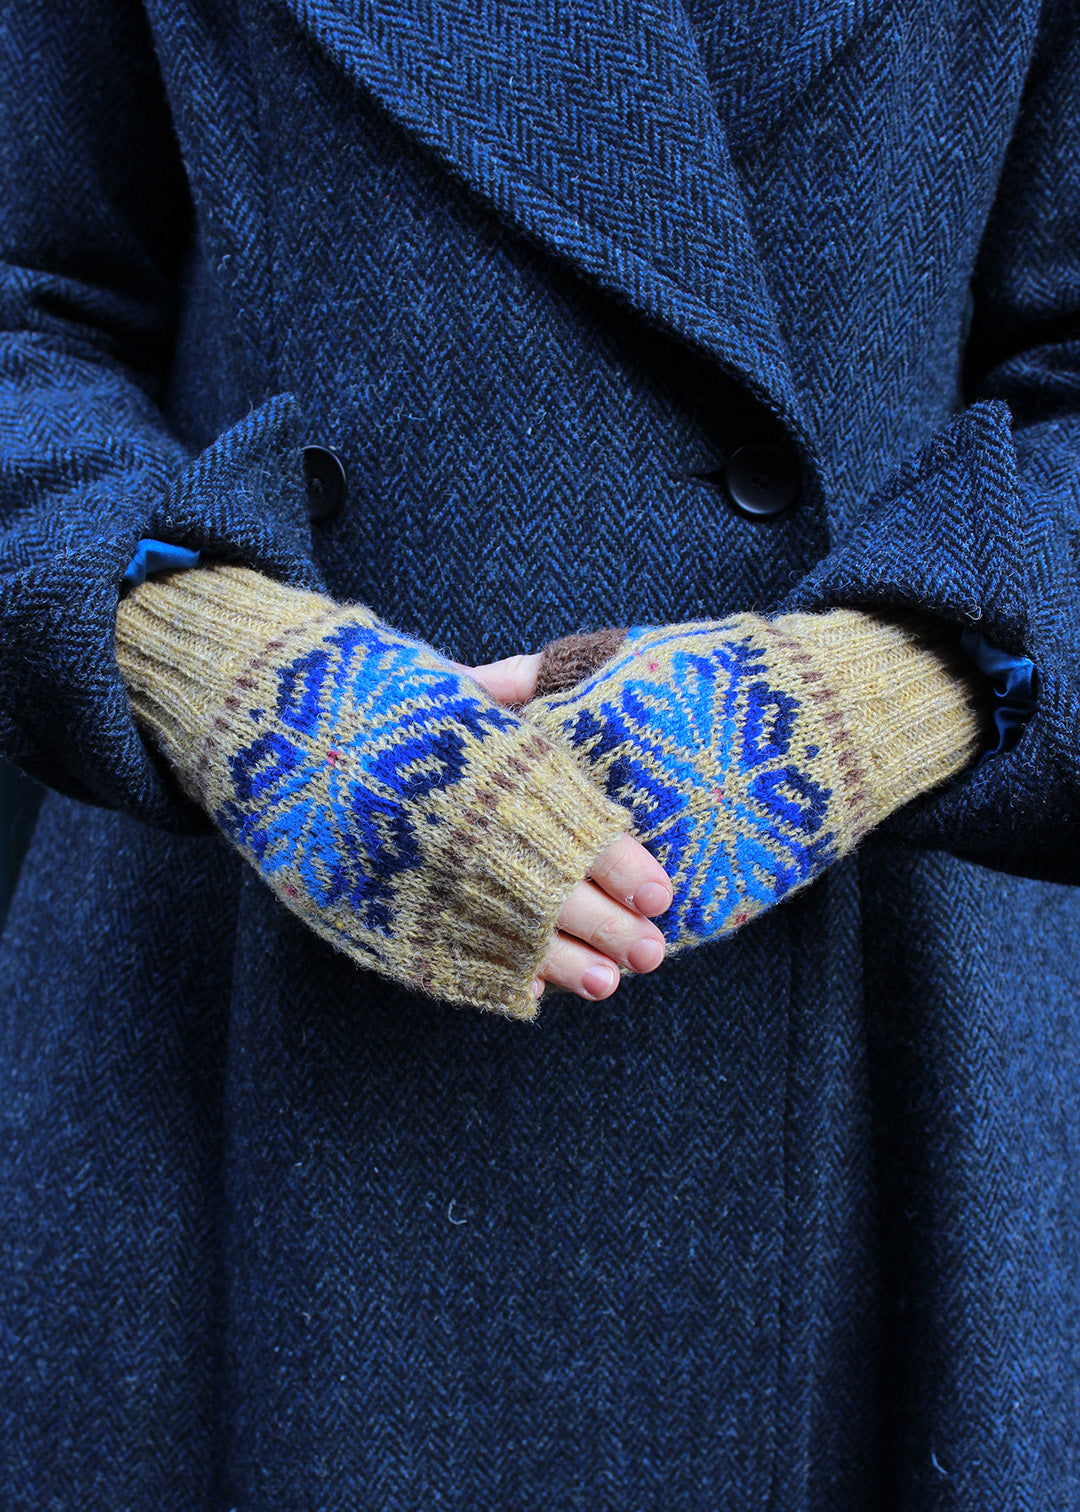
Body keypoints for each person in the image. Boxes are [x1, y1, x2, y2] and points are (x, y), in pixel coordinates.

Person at [1, 0, 1077, 1506]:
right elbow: (25, 304)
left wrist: (895, 682)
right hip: (239, 987)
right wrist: (217, 662)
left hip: (891, 1020)